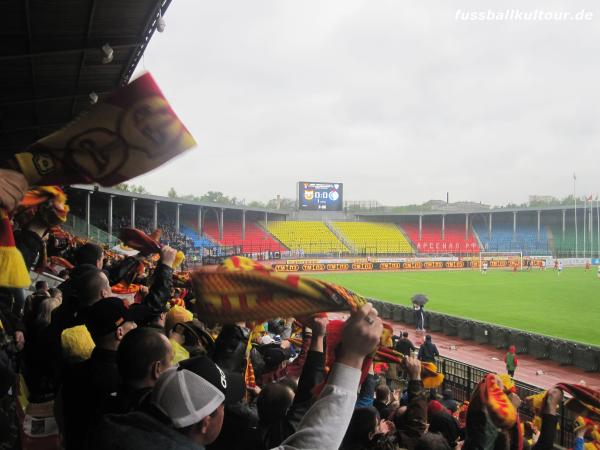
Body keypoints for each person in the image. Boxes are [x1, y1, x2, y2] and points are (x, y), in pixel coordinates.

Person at [89, 303, 383, 450]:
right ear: (204, 422)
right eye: (222, 406)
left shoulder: (109, 427)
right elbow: (311, 445)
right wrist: (353, 357)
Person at [59, 297, 139, 449]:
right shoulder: (127, 379)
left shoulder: (74, 371)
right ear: (120, 332)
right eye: (132, 322)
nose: (135, 325)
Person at [116, 327, 174, 413]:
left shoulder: (105, 401)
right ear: (157, 369)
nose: (173, 366)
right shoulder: (162, 415)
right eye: (171, 360)